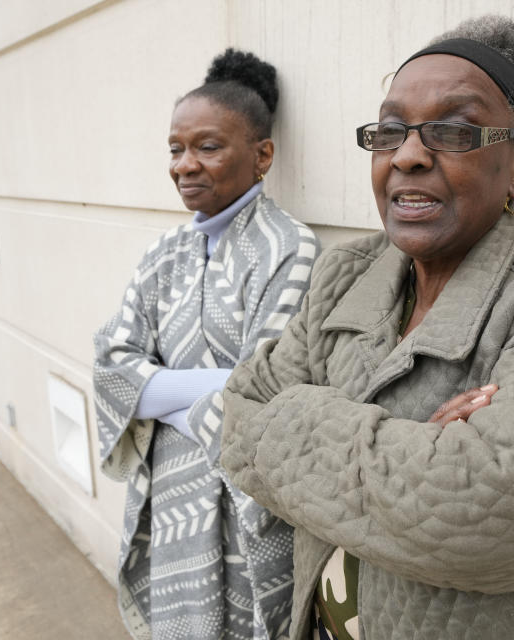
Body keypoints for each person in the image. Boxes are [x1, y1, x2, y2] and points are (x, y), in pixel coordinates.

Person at [220, 15, 514, 640]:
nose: (407, 155)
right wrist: (421, 446)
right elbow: (237, 414)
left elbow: (491, 512)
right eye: (391, 131)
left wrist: (297, 420)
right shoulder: (347, 273)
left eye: (455, 131)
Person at [94, 49, 319, 640]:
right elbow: (110, 366)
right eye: (175, 148)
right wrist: (205, 389)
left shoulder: (288, 249)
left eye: (208, 147)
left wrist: (152, 389)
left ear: (262, 154)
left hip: (244, 498)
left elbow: (264, 387)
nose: (185, 165)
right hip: (169, 492)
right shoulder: (161, 254)